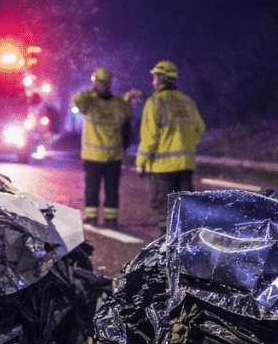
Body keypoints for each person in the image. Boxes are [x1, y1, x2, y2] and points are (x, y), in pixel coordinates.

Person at [135, 60, 204, 228]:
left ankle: (167, 251)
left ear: (160, 79)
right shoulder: (187, 102)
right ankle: (183, 251)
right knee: (183, 214)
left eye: (154, 77)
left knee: (166, 216)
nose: (153, 81)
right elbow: (199, 128)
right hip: (185, 167)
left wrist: (141, 163)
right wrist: (186, 145)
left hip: (163, 169)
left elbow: (149, 138)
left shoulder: (155, 102)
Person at [71, 67, 133, 226]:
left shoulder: (93, 102)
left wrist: (93, 89)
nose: (103, 85)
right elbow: (76, 99)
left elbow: (127, 115)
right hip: (106, 155)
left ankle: (107, 217)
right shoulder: (92, 102)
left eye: (104, 83)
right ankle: (102, 217)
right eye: (100, 82)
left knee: (106, 188)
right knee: (100, 188)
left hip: (101, 155)